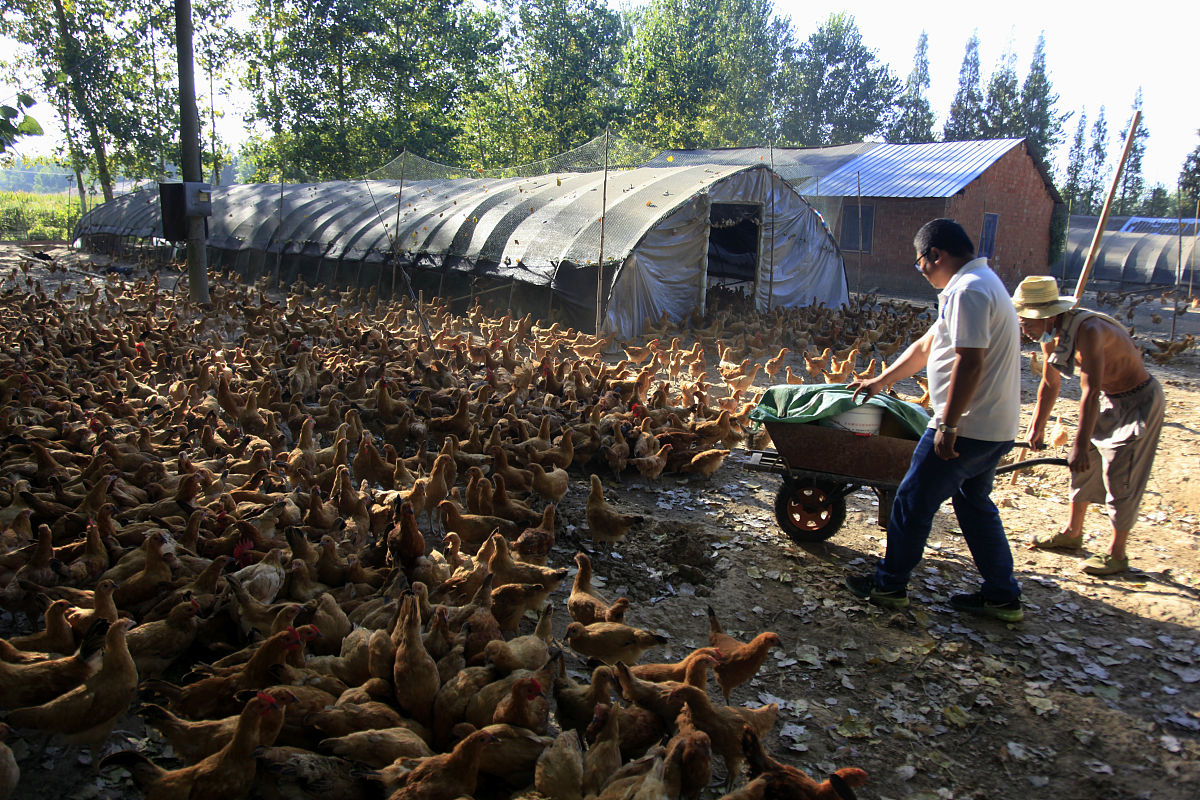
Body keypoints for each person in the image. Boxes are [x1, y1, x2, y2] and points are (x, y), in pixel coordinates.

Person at [845, 218, 1023, 622]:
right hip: (995, 426)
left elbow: (970, 360)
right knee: (973, 503)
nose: (921, 271)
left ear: (935, 256)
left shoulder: (971, 291)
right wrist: (882, 379)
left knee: (911, 500)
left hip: (969, 427)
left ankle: (889, 585)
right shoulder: (977, 285)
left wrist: (947, 423)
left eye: (919, 263)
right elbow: (929, 345)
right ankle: (1002, 596)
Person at [1012, 275, 1165, 576]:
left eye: (1027, 321)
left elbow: (1090, 391)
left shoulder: (1090, 331)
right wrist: (1037, 425)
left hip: (1138, 402)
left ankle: (1117, 553)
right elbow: (1049, 382)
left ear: (1048, 314)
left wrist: (1080, 444)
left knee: (1120, 473)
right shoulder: (1049, 337)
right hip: (1108, 398)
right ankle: (1072, 533)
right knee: (1083, 467)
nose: (1024, 328)